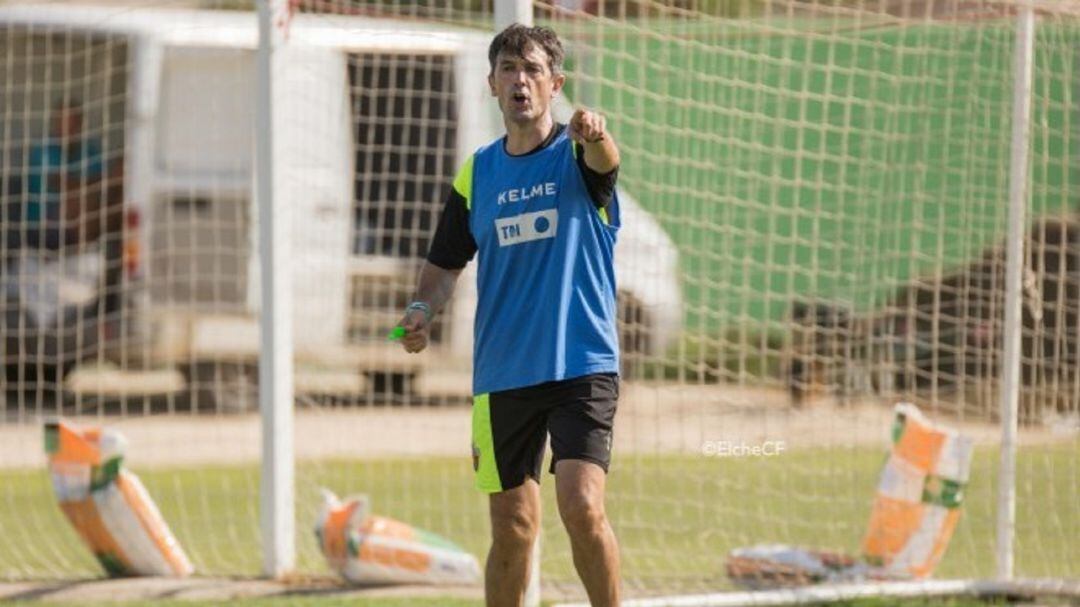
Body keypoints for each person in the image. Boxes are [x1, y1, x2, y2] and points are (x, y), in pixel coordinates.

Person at [397, 23, 623, 606]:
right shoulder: (478, 173)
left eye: (533, 70)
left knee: (581, 505)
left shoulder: (577, 156)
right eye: (508, 70)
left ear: (555, 84)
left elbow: (606, 159)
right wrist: (422, 308)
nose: (520, 80)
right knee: (513, 529)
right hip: (502, 376)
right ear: (492, 84)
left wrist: (596, 134)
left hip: (580, 365)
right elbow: (444, 264)